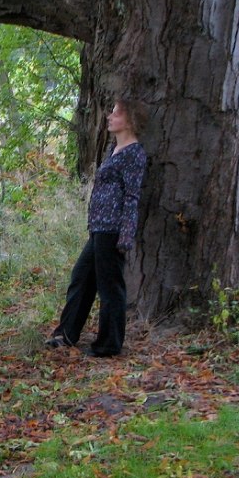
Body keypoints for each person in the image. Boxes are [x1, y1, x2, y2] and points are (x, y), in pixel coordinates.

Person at [47, 98, 148, 357]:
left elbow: (132, 197)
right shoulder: (114, 148)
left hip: (113, 229)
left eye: (115, 113)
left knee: (110, 288)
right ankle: (66, 334)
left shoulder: (134, 154)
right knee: (81, 278)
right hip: (99, 228)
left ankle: (108, 345)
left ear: (130, 120)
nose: (109, 117)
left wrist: (125, 235)